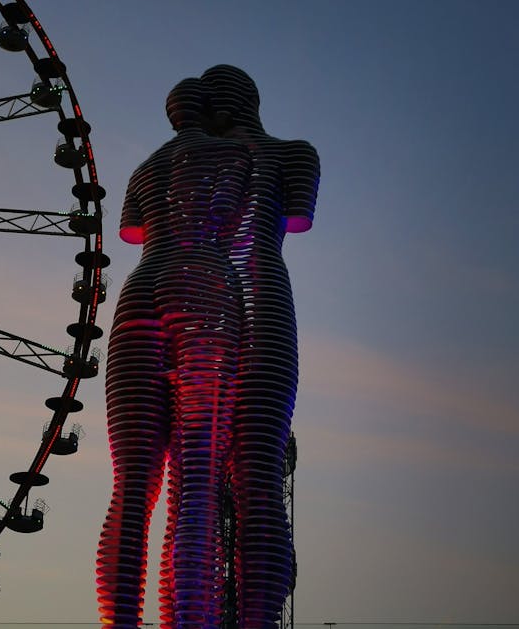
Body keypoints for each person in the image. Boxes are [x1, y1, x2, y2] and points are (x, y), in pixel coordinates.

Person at [97, 77, 250, 629]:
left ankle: (119, 621)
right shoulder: (235, 152)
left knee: (132, 482)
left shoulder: (144, 168)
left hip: (138, 290)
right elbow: (243, 223)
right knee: (197, 474)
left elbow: (131, 231)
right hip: (203, 281)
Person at [201, 64, 320, 629]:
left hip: (208, 306)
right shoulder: (296, 153)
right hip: (263, 300)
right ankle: (257, 611)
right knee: (257, 469)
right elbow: (297, 216)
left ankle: (238, 608)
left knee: (205, 475)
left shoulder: (201, 165)